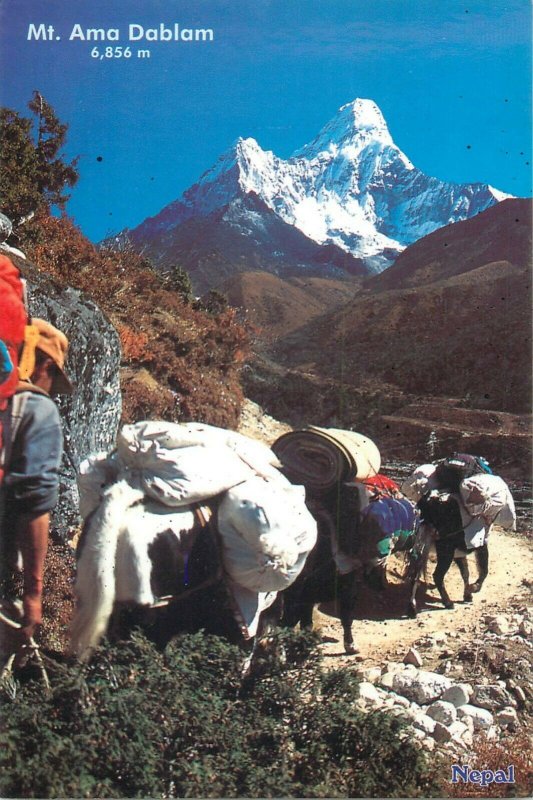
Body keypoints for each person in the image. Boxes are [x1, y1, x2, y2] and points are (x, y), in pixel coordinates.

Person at [0, 318, 72, 643]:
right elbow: (35, 506)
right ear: (45, 364)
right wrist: (33, 594)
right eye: (54, 376)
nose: (50, 388)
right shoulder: (38, 410)